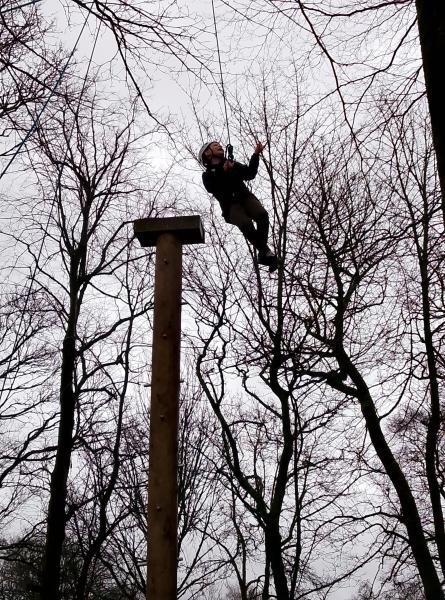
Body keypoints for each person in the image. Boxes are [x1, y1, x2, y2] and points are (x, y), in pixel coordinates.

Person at [199, 140, 279, 272]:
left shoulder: (232, 164)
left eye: (219, 145)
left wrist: (256, 155)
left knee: (262, 215)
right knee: (246, 224)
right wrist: (223, 172)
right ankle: (265, 252)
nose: (220, 146)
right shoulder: (207, 175)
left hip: (245, 197)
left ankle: (263, 253)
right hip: (231, 206)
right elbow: (213, 188)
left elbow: (250, 173)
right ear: (207, 153)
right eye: (215, 146)